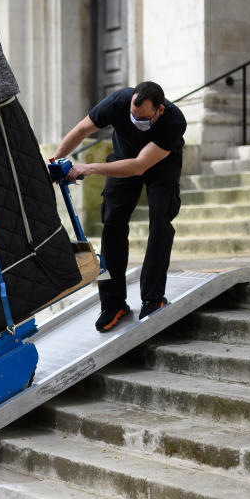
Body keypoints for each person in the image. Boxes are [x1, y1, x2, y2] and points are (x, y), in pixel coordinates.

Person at [50, 81, 186, 332]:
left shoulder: (174, 122)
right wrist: (54, 162)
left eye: (143, 118)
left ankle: (152, 300)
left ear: (160, 111)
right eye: (133, 116)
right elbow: (81, 130)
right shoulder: (118, 102)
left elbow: (139, 166)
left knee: (160, 223)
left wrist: (88, 168)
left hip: (159, 167)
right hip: (123, 159)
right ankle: (112, 304)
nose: (136, 121)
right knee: (111, 224)